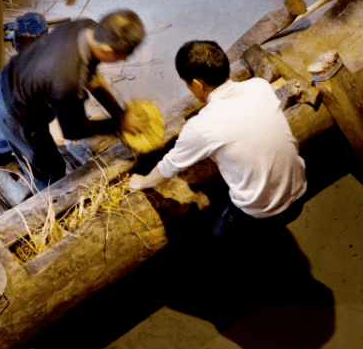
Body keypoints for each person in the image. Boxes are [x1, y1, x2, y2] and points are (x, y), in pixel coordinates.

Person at [128, 40, 307, 241]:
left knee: (216, 235)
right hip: (300, 195)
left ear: (197, 84)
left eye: (187, 84)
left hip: (261, 215)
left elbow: (166, 170)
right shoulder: (259, 86)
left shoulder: (201, 126)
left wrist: (141, 181)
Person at [0, 9, 146, 190]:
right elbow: (73, 130)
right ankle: (47, 198)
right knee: (50, 169)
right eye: (123, 56)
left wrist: (119, 113)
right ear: (107, 48)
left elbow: (93, 79)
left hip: (10, 76)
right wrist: (118, 125)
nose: (125, 59)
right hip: (18, 109)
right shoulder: (67, 79)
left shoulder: (86, 28)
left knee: (5, 132)